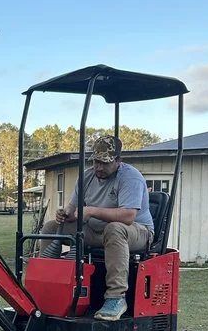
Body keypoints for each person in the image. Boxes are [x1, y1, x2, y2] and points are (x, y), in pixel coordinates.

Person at [40, 134, 154, 320]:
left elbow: (128, 216)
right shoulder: (86, 177)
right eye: (96, 162)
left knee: (114, 229)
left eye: (105, 163)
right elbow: (73, 208)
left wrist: (91, 211)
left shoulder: (130, 178)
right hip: (97, 231)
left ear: (118, 160)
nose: (99, 167)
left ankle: (116, 298)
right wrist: (65, 215)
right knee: (51, 227)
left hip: (138, 232)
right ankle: (45, 286)